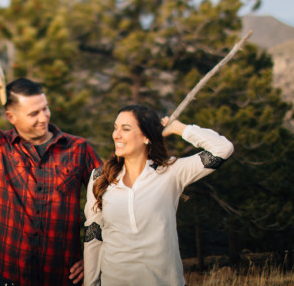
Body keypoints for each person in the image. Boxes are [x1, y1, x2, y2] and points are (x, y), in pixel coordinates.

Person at [0, 25, 102, 286]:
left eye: (45, 108)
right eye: (34, 113)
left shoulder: (78, 149)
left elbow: (112, 200)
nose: (43, 117)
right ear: (11, 117)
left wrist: (96, 254)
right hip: (10, 279)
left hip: (63, 280)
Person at [83, 104, 234, 286]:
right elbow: (93, 235)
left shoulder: (171, 171)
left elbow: (222, 149)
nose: (116, 135)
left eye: (126, 129)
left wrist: (180, 128)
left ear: (146, 137)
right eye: (115, 128)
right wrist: (90, 283)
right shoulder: (100, 177)